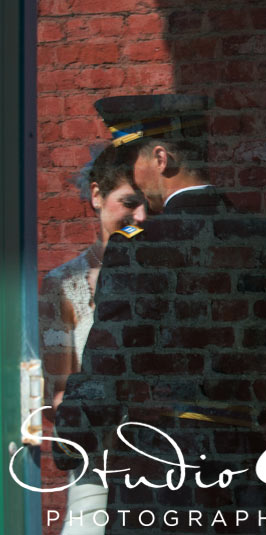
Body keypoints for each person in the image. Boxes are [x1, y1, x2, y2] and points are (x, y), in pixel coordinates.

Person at [56, 94, 266, 534]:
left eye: (134, 159)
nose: (134, 176)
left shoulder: (140, 246)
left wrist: (72, 439)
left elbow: (109, 362)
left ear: (160, 157)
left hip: (161, 468)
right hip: (244, 463)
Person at [40, 144, 145, 535]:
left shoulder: (164, 270)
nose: (141, 216)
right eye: (129, 202)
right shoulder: (63, 284)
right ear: (97, 195)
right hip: (96, 460)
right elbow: (58, 395)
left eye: (147, 202)